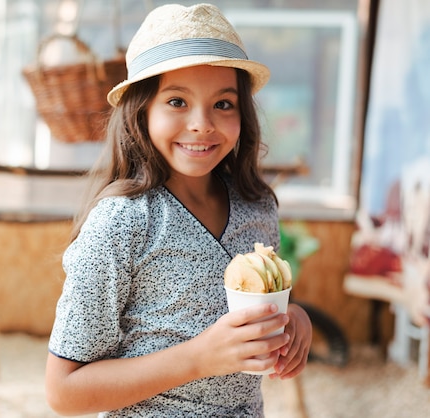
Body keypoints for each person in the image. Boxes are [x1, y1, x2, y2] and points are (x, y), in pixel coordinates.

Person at [45, 3, 312, 416]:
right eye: (176, 101)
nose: (202, 123)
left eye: (223, 104)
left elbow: (259, 315)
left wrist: (293, 319)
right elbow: (64, 392)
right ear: (141, 112)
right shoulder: (122, 224)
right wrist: (200, 358)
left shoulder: (258, 209)